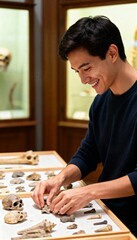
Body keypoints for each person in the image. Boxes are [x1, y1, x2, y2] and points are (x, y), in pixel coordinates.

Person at [32, 16, 137, 236]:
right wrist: (60, 178)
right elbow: (89, 152)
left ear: (112, 53)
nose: (83, 79)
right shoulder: (100, 102)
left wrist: (89, 192)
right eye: (77, 71)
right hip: (108, 214)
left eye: (86, 67)